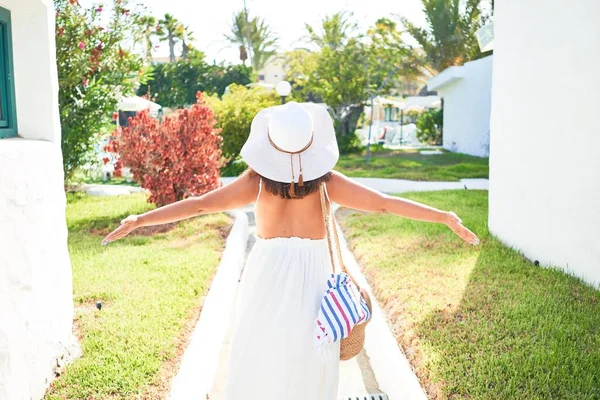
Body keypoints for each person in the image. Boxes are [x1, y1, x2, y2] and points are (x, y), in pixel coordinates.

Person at [102, 102, 479, 400]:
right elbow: (383, 203)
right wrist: (443, 216)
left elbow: (200, 203)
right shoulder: (328, 183)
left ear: (270, 144)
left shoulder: (256, 181)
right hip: (314, 274)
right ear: (313, 144)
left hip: (266, 272)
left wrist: (141, 219)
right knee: (309, 358)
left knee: (260, 351)